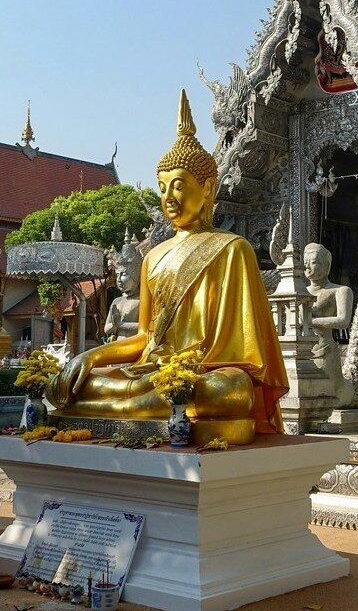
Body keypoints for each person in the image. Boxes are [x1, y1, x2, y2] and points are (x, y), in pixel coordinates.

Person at [46, 90, 288, 445]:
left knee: (230, 391)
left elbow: (244, 355)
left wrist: (181, 376)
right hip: (151, 374)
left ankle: (137, 405)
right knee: (68, 383)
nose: (168, 198)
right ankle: (141, 404)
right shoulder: (154, 256)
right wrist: (91, 355)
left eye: (179, 186)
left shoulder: (233, 249)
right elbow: (146, 337)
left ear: (206, 188)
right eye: (162, 188)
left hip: (204, 375)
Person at [303, 243, 353, 363]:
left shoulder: (341, 291)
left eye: (314, 262)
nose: (307, 267)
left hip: (326, 350)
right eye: (305, 263)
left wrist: (308, 321)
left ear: (327, 265)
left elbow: (343, 321)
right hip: (300, 351)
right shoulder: (301, 292)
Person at [103, 230, 142, 341]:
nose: (119, 279)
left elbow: (148, 326)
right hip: (118, 343)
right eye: (117, 275)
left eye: (124, 274)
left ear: (136, 276)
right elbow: (107, 328)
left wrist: (121, 325)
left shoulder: (143, 299)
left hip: (136, 343)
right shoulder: (117, 301)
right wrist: (115, 325)